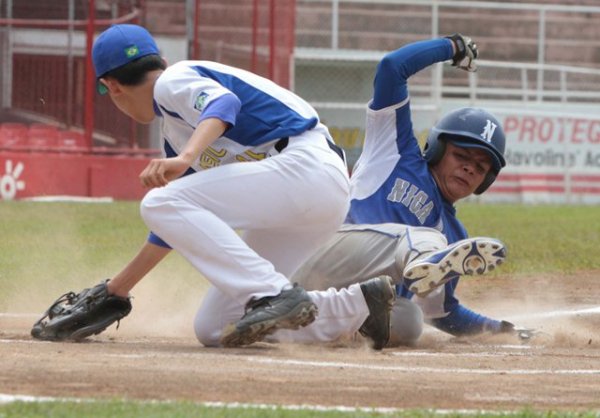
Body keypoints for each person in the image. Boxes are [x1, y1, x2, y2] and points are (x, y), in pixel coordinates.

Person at [30, 26, 508, 351]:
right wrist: (117, 291)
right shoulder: (178, 124)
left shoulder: (173, 83)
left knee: (161, 199)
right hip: (304, 201)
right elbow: (172, 226)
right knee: (214, 327)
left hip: (307, 167)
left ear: (111, 86)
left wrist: (186, 159)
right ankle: (355, 304)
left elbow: (223, 103)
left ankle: (276, 293)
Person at [292, 34, 532, 346]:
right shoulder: (396, 152)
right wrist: (452, 47)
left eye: (481, 167)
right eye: (462, 155)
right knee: (425, 240)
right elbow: (393, 68)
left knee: (409, 320)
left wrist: (504, 330)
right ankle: (418, 255)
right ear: (435, 148)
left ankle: (295, 322)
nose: (470, 168)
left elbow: (445, 313)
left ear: (485, 181)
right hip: (323, 253)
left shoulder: (455, 237)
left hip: (331, 296)